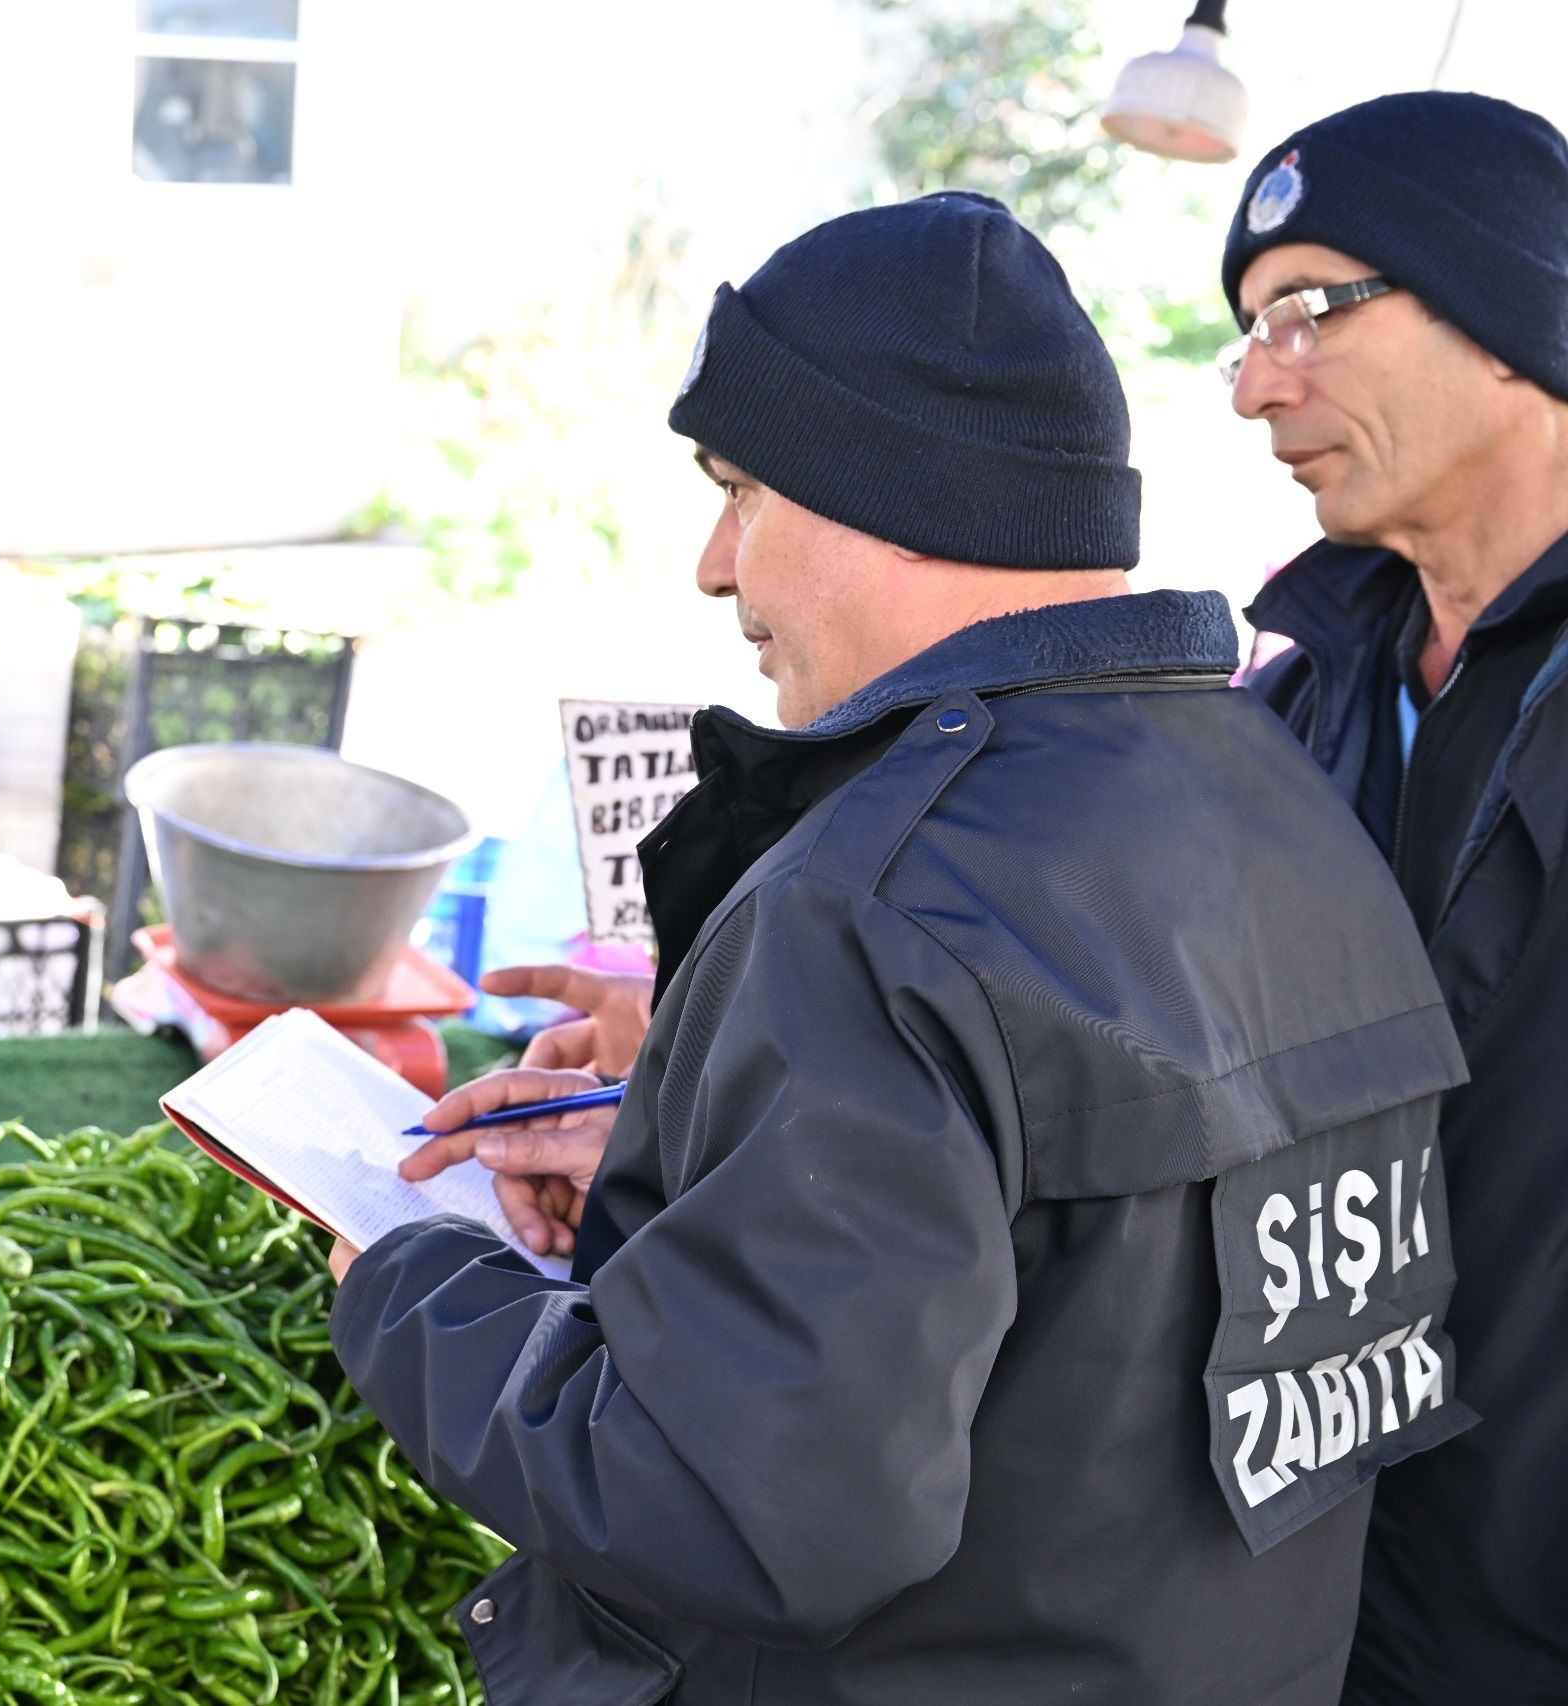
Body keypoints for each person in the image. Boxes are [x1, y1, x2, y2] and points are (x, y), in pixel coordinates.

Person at [327, 194, 1474, 1703]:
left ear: (890, 491)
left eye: (738, 487)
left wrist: (413, 1284)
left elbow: (745, 1506)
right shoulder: (1288, 801)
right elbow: (1101, 1278)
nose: (712, 563)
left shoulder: (876, 898)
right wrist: (715, 1161)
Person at [1222, 91, 1568, 1704]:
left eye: (1307, 309)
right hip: (1318, 1594)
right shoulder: (1303, 701)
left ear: (1511, 311)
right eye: (1243, 329)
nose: (1252, 383)